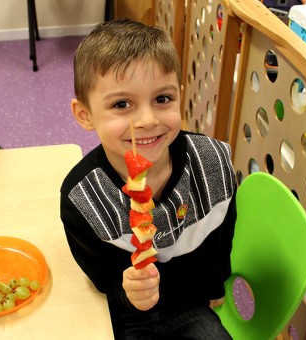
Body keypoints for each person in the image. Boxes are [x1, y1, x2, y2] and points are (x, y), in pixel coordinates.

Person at [61, 18, 237, 339]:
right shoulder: (81, 198)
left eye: (162, 99)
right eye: (122, 104)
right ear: (84, 114)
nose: (147, 120)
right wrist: (127, 292)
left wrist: (216, 285)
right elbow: (102, 281)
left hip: (190, 305)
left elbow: (222, 235)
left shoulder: (213, 162)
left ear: (180, 95)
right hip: (122, 315)